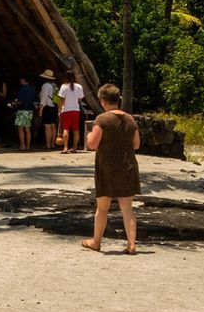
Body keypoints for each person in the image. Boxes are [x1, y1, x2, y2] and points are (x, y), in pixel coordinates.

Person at [80, 84, 142, 255]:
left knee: (102, 207)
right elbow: (136, 144)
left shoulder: (102, 119)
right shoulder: (130, 119)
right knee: (127, 208)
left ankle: (96, 241)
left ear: (102, 100)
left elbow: (92, 144)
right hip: (128, 166)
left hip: (107, 167)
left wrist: (88, 135)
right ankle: (131, 244)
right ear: (118, 99)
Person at [57, 70, 86, 154]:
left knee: (66, 129)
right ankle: (74, 148)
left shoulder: (64, 86)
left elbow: (61, 100)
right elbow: (80, 98)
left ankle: (65, 148)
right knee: (76, 130)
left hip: (66, 110)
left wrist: (59, 110)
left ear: (66, 77)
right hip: (76, 110)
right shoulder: (79, 86)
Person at [37, 69, 58, 149]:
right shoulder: (54, 85)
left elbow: (44, 99)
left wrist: (41, 110)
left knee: (47, 127)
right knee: (53, 126)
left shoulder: (46, 85)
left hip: (47, 108)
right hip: (53, 107)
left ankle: (48, 145)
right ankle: (53, 144)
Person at [13, 76, 36, 149]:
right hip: (30, 110)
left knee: (20, 128)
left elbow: (20, 101)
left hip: (22, 110)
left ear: (24, 80)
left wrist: (15, 103)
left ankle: (22, 145)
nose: (20, 81)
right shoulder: (32, 89)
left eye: (20, 79)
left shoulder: (23, 88)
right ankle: (28, 146)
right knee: (27, 128)